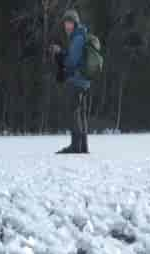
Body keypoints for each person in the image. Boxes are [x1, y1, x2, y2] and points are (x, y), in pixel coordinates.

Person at [51, 9, 90, 155]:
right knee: (81, 114)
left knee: (74, 113)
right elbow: (75, 58)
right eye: (65, 23)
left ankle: (76, 146)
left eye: (70, 23)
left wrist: (60, 54)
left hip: (77, 80)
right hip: (84, 81)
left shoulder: (78, 37)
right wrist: (62, 52)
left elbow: (72, 62)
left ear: (75, 23)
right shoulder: (80, 36)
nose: (67, 26)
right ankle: (83, 146)